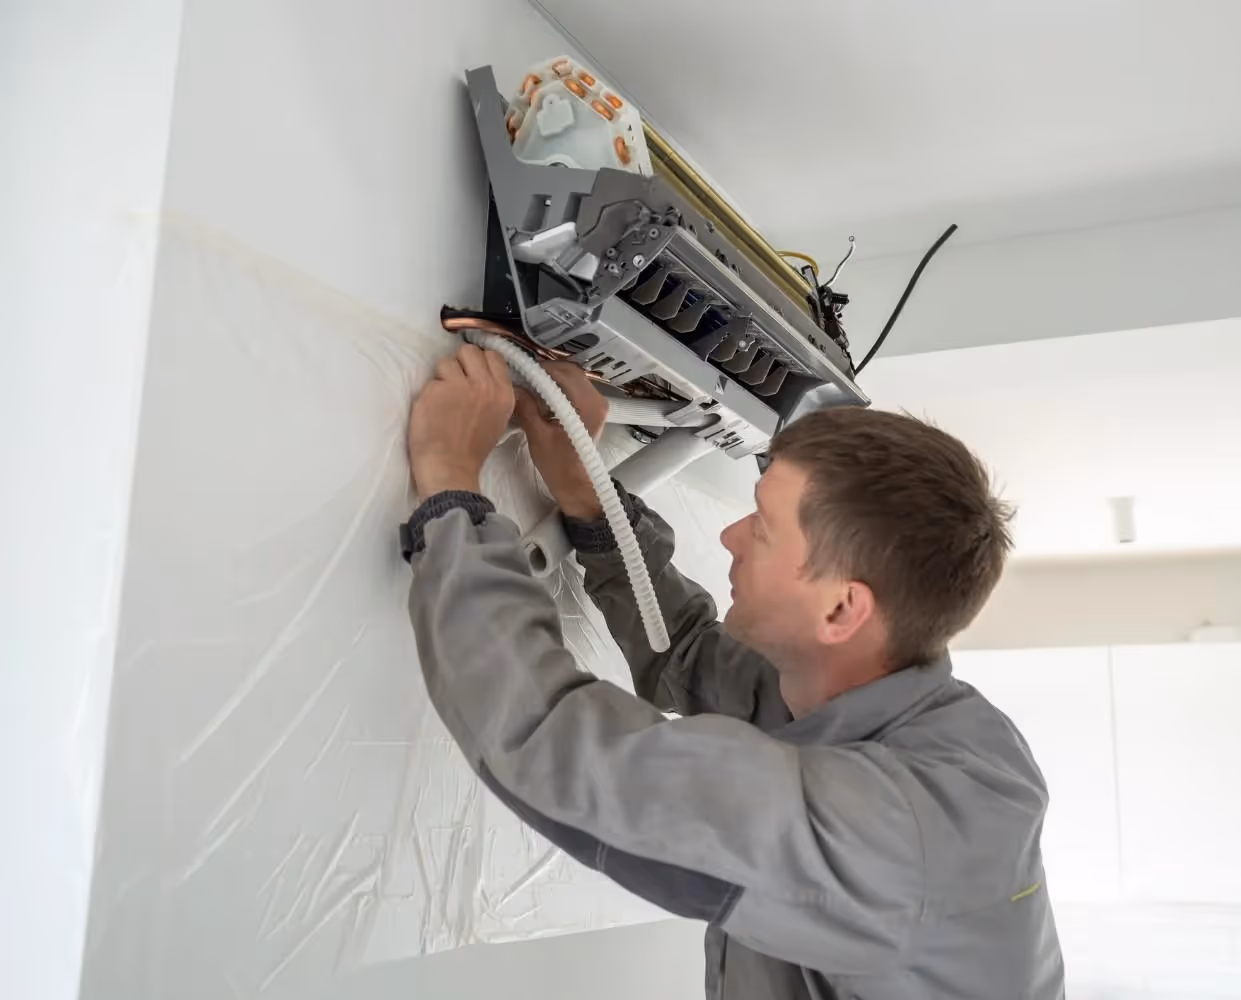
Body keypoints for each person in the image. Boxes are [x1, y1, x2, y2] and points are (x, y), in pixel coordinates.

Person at [401, 341, 1064, 1000]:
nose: (730, 535)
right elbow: (685, 653)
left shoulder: (896, 837)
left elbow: (555, 750)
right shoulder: (875, 699)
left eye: (764, 528)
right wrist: (583, 484)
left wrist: (451, 491)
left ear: (842, 609)